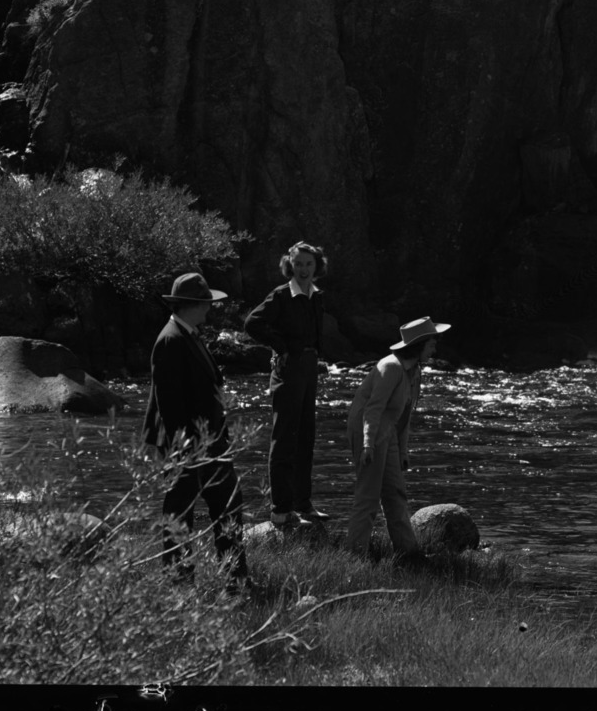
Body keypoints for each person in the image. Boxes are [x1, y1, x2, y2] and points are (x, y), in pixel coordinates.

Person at [144, 271, 247, 583]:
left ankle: (235, 578)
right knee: (179, 517)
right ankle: (179, 583)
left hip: (209, 442)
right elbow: (169, 405)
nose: (209, 308)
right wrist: (189, 447)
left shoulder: (187, 333)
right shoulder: (172, 340)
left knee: (228, 507)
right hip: (188, 447)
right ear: (191, 305)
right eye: (205, 303)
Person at [242, 241, 339, 527]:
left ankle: (303, 504)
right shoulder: (281, 295)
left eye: (308, 264)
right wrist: (280, 347)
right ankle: (281, 510)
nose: (304, 269)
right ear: (290, 265)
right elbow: (252, 323)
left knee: (305, 437)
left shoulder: (316, 296)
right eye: (298, 264)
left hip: (309, 369)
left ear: (316, 266)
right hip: (287, 370)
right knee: (284, 439)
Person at [344, 315, 451, 561]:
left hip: (388, 431)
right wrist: (368, 444)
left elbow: (404, 416)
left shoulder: (414, 372)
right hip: (367, 430)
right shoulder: (389, 367)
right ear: (419, 344)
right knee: (368, 497)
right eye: (432, 343)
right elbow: (373, 409)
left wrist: (402, 452)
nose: (435, 348)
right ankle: (355, 556)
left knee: (395, 493)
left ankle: (409, 554)